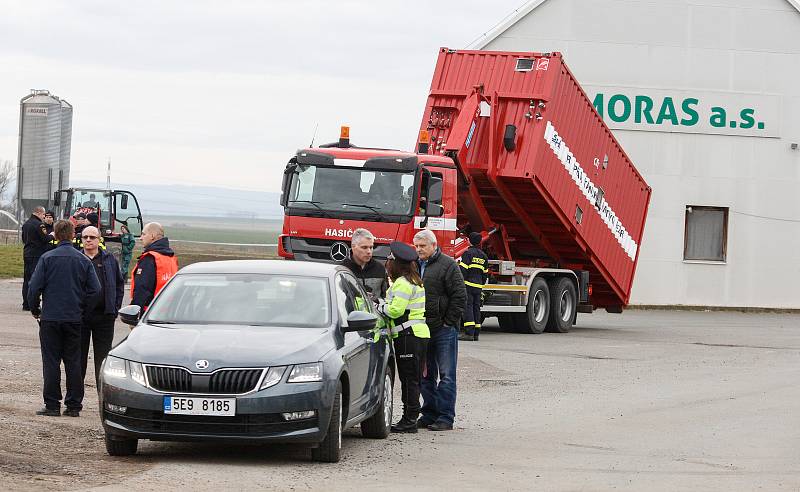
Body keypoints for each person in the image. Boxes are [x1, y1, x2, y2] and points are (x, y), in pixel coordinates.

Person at [27, 220, 101, 417]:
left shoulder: (46, 258)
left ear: (56, 236)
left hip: (50, 317)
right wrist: (83, 310)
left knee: (51, 361)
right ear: (73, 235)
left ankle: (52, 405)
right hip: (74, 318)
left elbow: (34, 288)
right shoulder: (83, 260)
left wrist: (35, 309)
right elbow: (95, 290)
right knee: (73, 362)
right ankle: (74, 405)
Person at [413, 229, 465, 431]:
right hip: (422, 329)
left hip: (443, 331)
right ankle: (429, 414)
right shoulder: (414, 266)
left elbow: (460, 296)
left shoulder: (448, 265)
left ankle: (445, 417)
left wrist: (448, 322)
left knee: (446, 374)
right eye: (416, 246)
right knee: (426, 375)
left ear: (433, 245)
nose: (419, 250)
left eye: (422, 246)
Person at [376, 241, 429, 433]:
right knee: (413, 378)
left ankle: (409, 420)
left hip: (408, 336)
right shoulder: (414, 280)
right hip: (417, 335)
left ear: (396, 263)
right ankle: (410, 417)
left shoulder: (402, 283)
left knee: (409, 380)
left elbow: (395, 310)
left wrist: (378, 306)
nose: (387, 263)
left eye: (390, 260)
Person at [80, 226, 124, 387]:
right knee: (78, 359)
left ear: (99, 240)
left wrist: (115, 307)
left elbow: (119, 284)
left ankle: (104, 399)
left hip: (104, 317)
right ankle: (74, 403)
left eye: (92, 237)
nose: (88, 240)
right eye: (85, 237)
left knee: (103, 359)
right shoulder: (77, 259)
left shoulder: (109, 260)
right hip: (81, 318)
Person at [131, 222, 178, 310]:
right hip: (166, 310)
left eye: (143, 234)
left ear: (152, 236)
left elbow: (142, 290)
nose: (141, 238)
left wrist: (134, 312)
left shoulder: (150, 259)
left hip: (148, 312)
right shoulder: (171, 258)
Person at [341, 228, 388, 301]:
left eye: (371, 247)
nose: (369, 251)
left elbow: (386, 297)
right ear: (353, 247)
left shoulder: (380, 268)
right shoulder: (342, 269)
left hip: (373, 312)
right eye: (364, 247)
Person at [458, 232, 489, 341]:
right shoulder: (484, 256)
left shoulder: (467, 254)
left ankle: (469, 333)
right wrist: (481, 284)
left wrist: (460, 283)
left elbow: (463, 270)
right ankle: (476, 333)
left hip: (468, 285)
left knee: (468, 307)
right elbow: (485, 273)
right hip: (478, 286)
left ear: (469, 241)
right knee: (476, 308)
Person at [21, 206, 50, 311]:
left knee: (26, 279)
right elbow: (45, 238)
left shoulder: (26, 224)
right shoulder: (39, 225)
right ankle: (32, 303)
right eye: (43, 215)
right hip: (37, 254)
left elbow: (24, 239)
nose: (44, 217)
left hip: (27, 253)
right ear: (39, 213)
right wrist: (52, 235)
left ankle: (26, 303)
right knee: (34, 279)